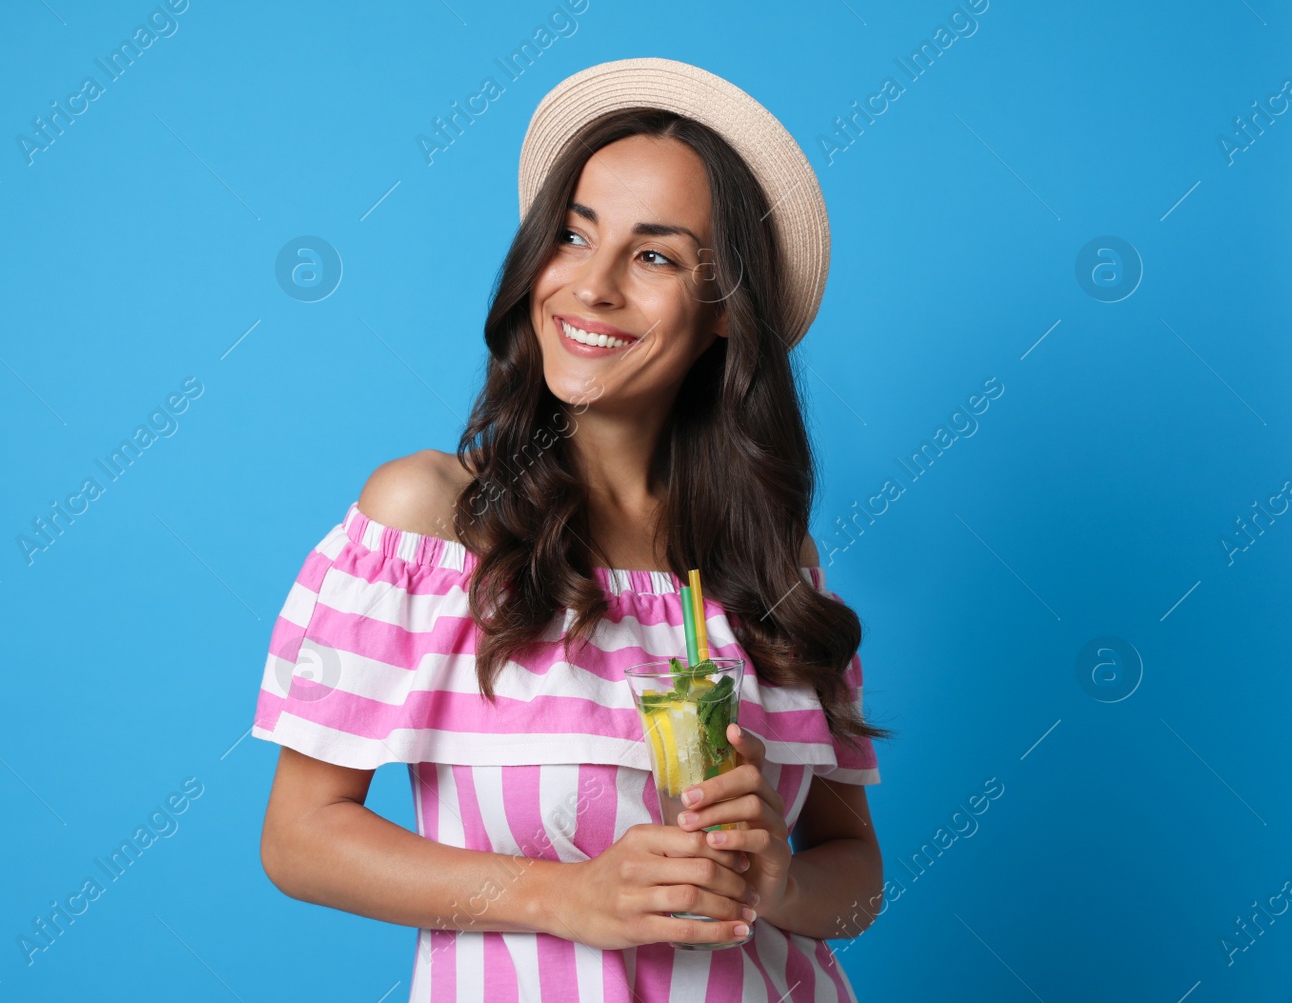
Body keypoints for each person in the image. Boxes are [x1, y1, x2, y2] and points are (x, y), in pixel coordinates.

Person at [254, 57, 889, 1002]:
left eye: (655, 255)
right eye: (573, 236)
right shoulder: (432, 524)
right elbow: (301, 840)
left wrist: (781, 880)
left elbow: (856, 883)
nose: (591, 287)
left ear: (724, 313)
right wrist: (564, 897)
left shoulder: (771, 561)